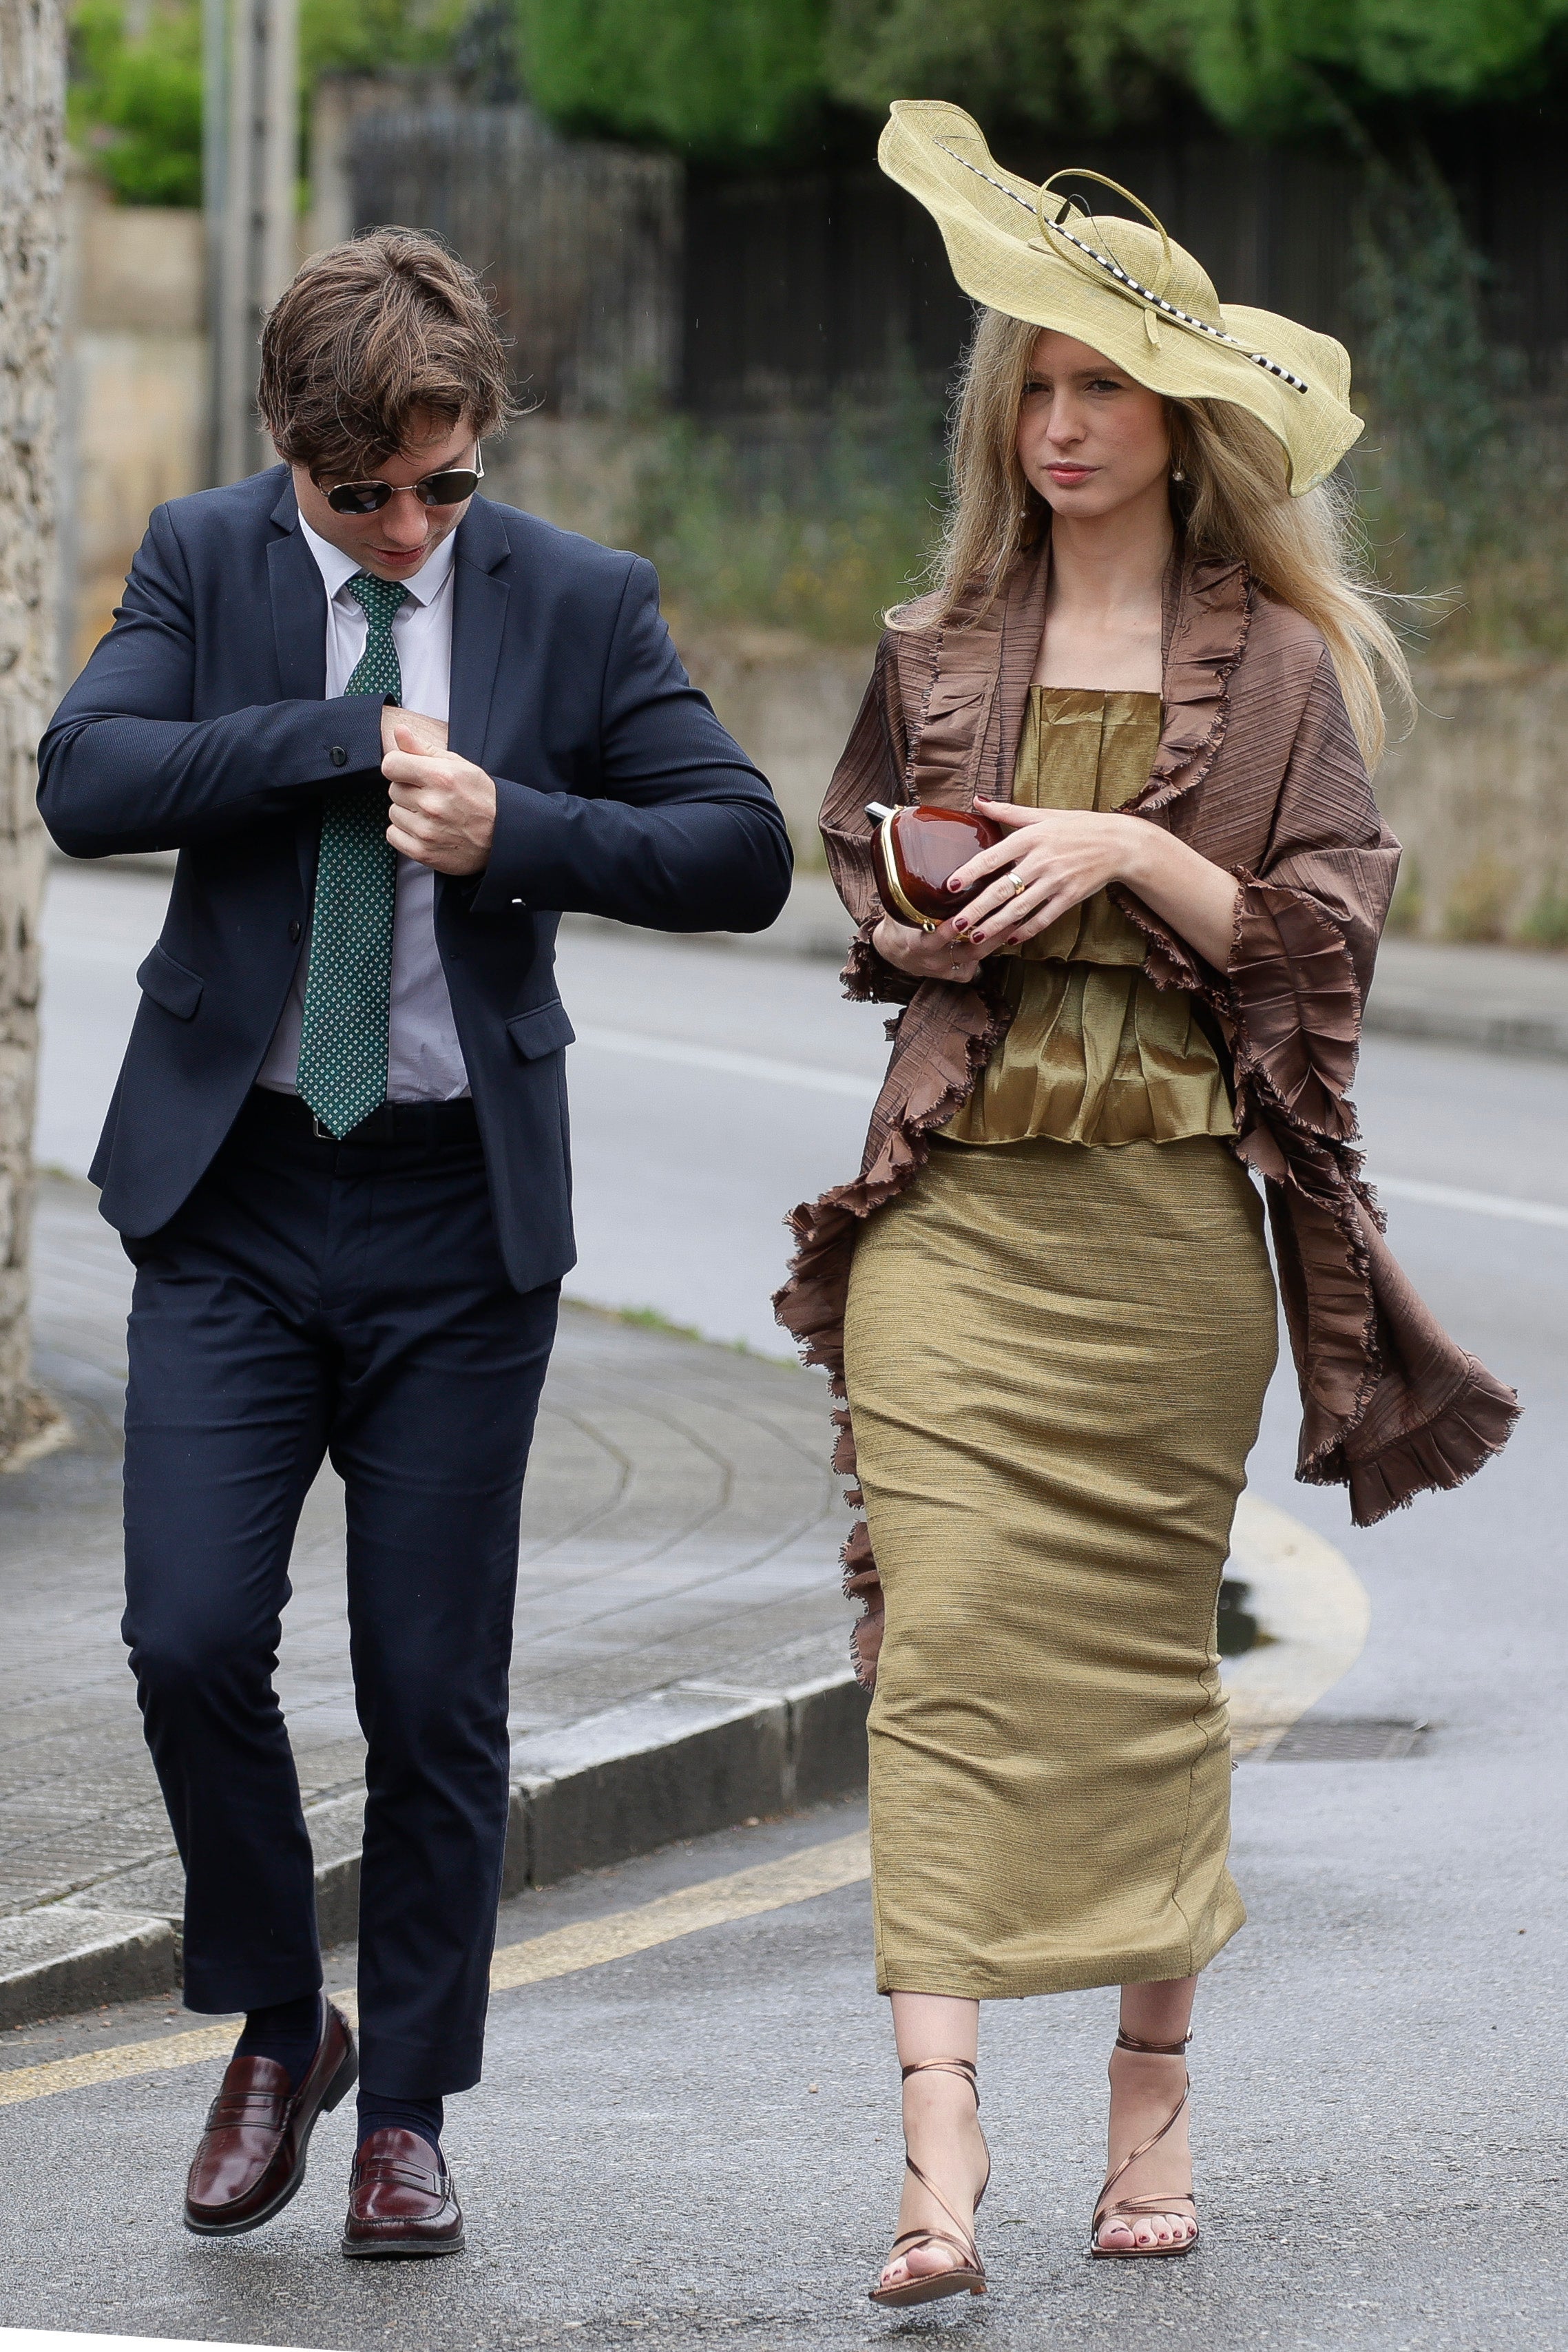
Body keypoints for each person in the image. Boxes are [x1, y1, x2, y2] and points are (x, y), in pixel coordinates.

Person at [775, 103, 1518, 2307]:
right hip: (956, 1226)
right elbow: (862, 882)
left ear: (1184, 430)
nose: (1066, 419)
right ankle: (937, 2157)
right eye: (1038, 383)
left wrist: (1120, 854)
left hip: (1167, 1237)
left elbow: (1323, 948)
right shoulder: (933, 643)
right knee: (938, 1653)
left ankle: (1149, 2097)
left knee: (1129, 1667)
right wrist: (930, 891)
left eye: (1107, 385)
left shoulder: (1279, 672)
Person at [38, 227, 791, 2258]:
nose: (400, 525)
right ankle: (285, 2027)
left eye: (438, 486)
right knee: (188, 1636)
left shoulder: (577, 597)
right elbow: (83, 783)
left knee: (430, 1685)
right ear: (291, 453)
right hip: (237, 1196)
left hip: (460, 1218)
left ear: (481, 446)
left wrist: (513, 825)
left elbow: (741, 848)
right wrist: (325, 741)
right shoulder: (205, 563)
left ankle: (415, 2115)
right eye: (355, 492)